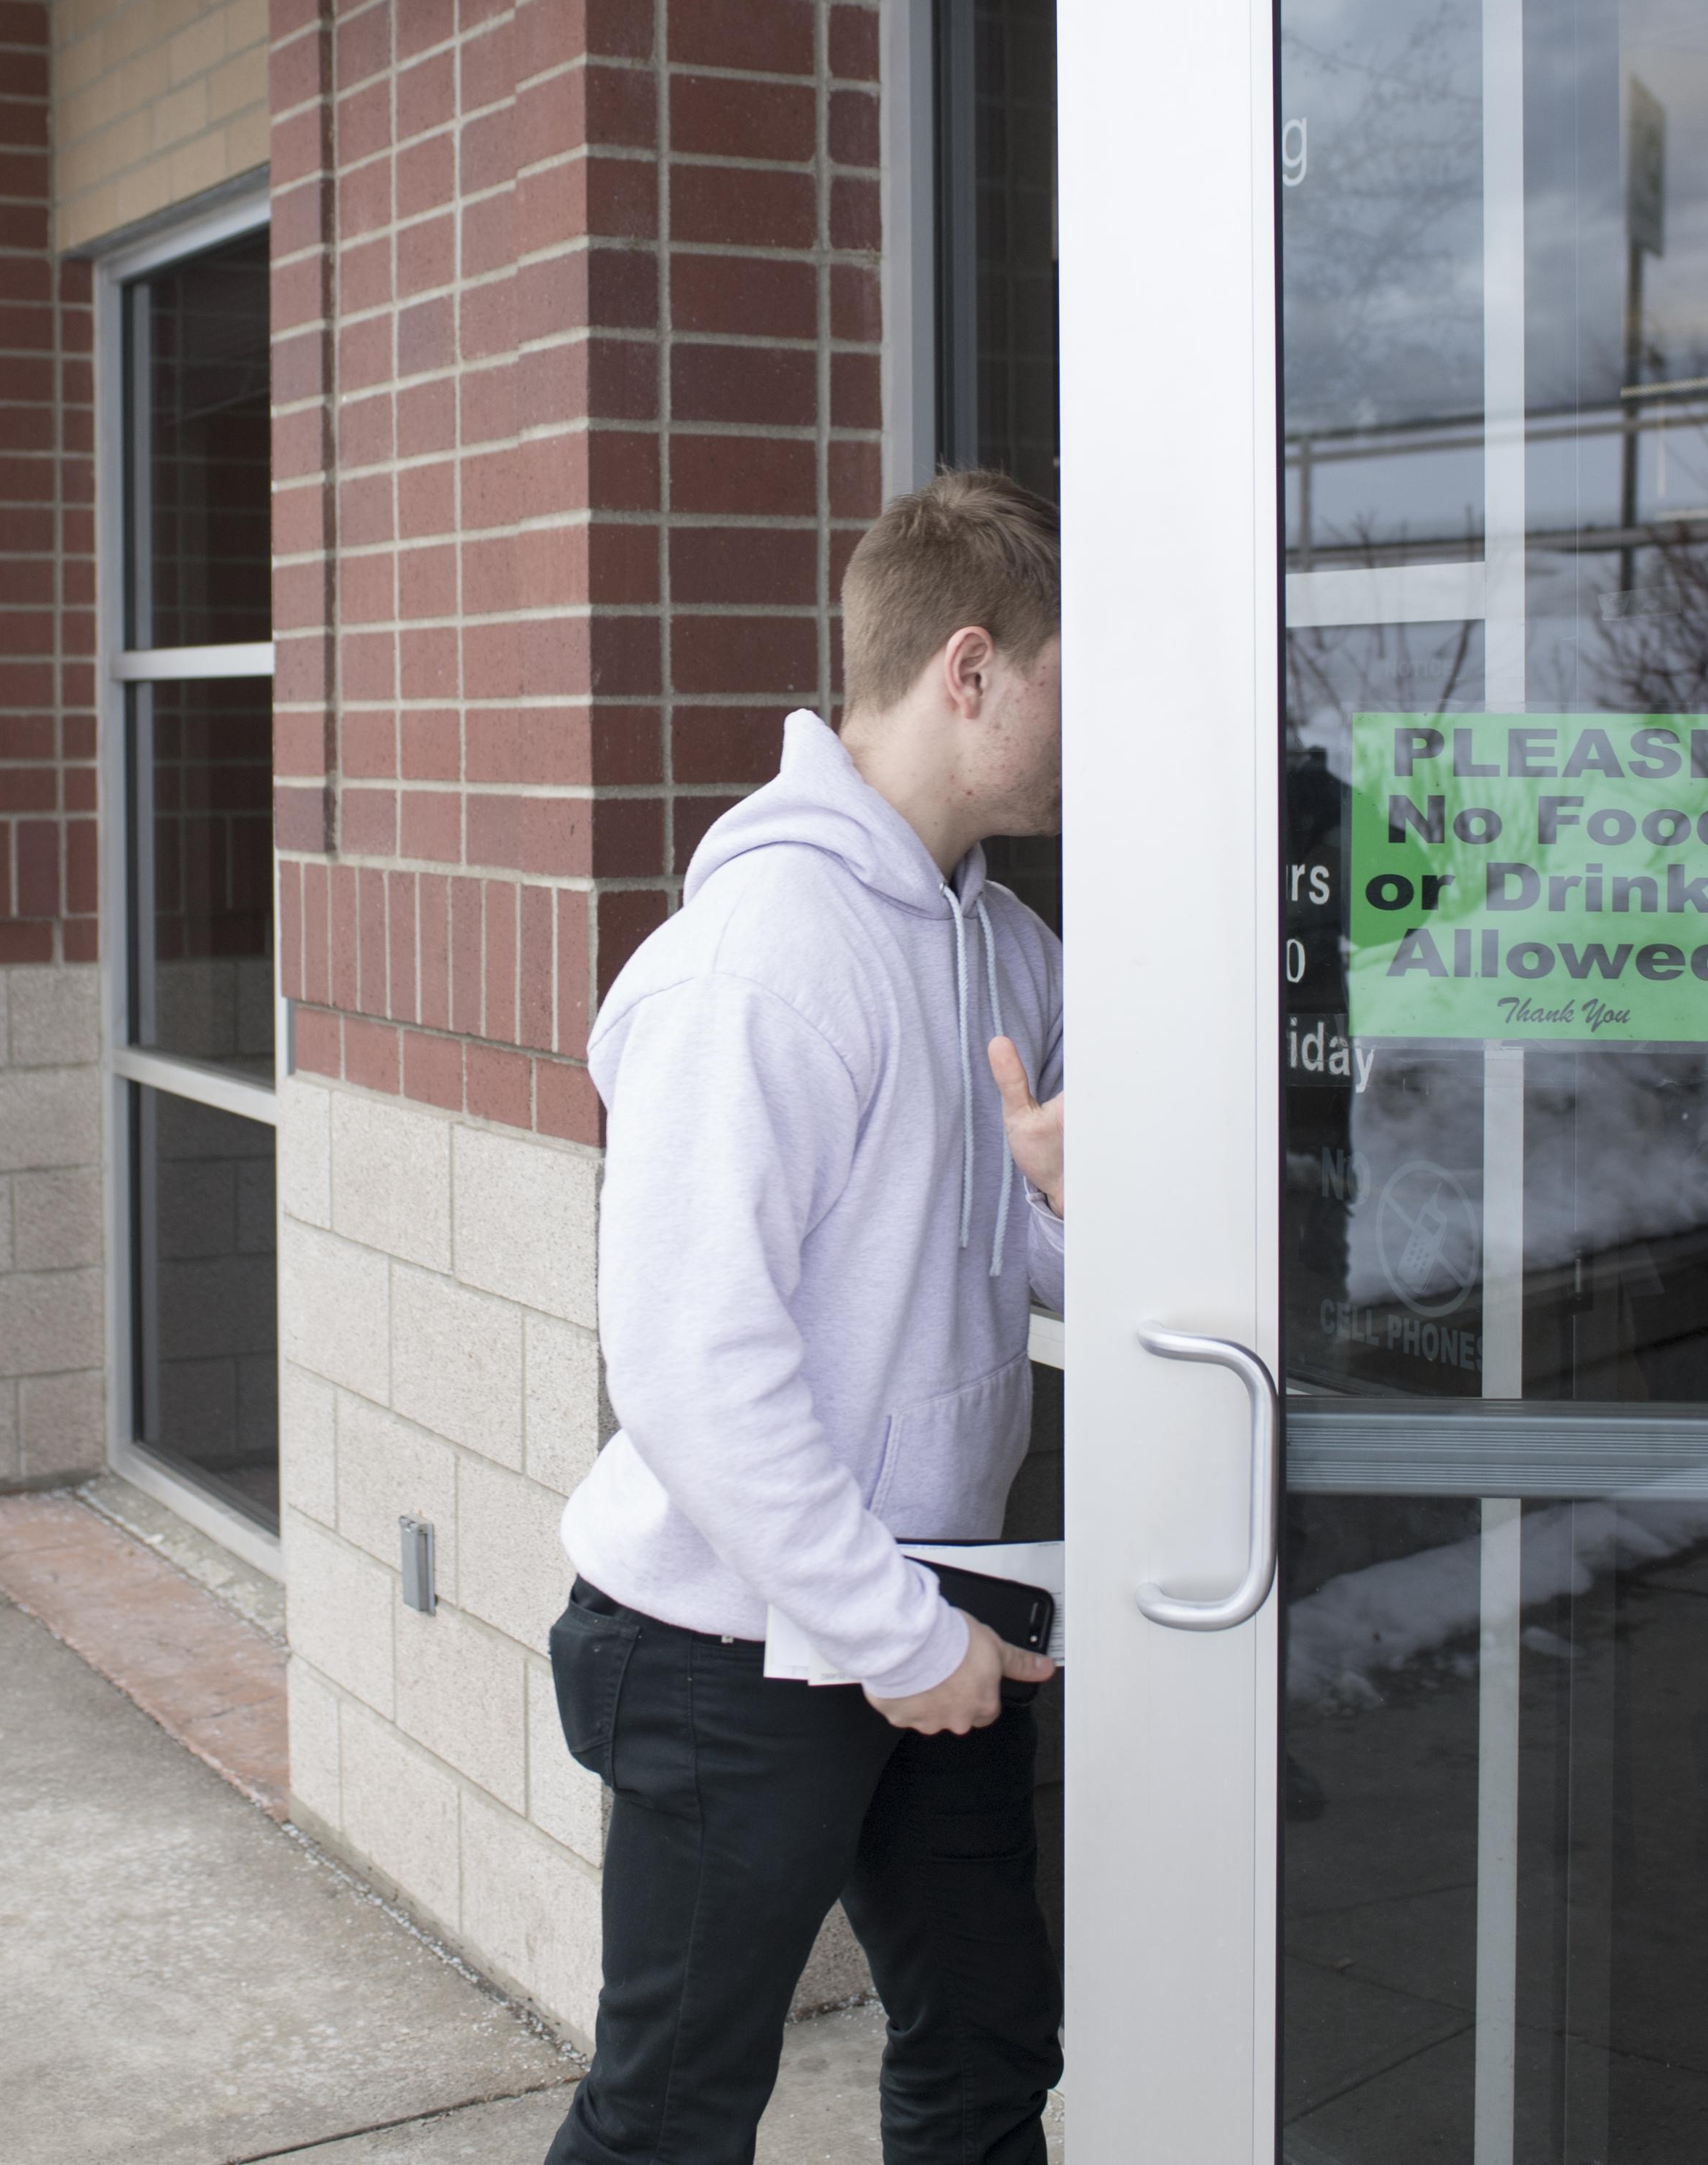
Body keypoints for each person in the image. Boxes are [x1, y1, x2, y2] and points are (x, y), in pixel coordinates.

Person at [545, 468, 1071, 2165]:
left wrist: (1072, 1201)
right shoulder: (759, 957)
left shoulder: (1005, 948)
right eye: (1076, 686)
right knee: (673, 2113)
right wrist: (895, 1637)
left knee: (989, 2045)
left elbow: (1011, 1262)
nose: (1096, 739)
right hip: (729, 1643)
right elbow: (692, 1369)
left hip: (926, 1596)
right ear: (970, 671)